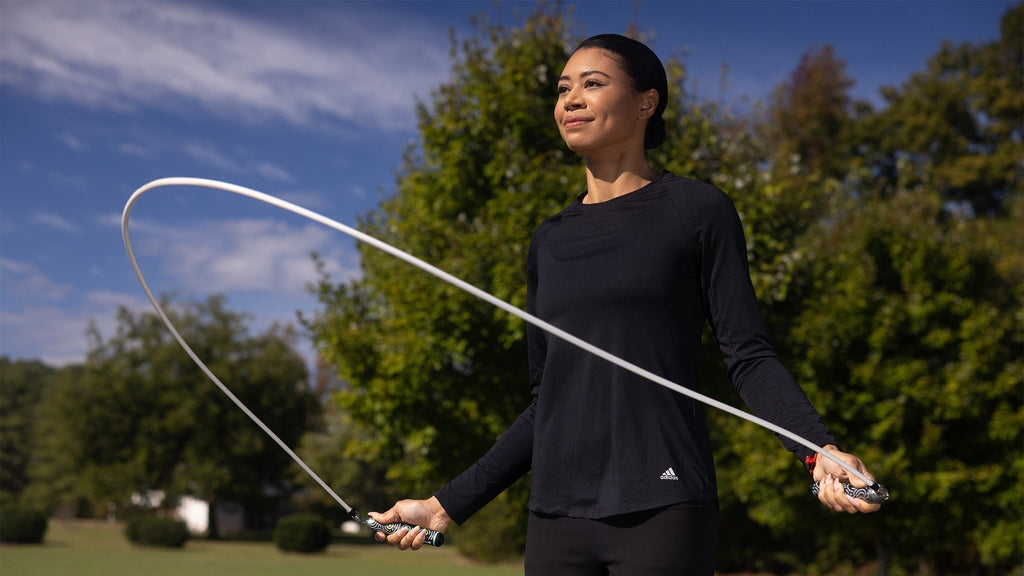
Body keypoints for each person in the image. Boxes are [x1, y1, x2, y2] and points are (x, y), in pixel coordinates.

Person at [368, 33, 881, 574]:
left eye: (593, 84)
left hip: (662, 508)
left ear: (645, 102)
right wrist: (446, 505)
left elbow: (748, 356)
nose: (571, 99)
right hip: (555, 520)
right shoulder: (549, 240)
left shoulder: (698, 210)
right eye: (564, 88)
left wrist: (818, 448)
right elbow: (549, 403)